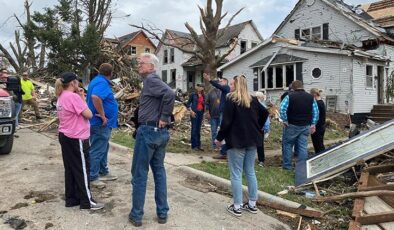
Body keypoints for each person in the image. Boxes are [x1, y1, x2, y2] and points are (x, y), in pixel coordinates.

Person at [129, 53, 175, 227]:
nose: (139, 64)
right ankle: (162, 213)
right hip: (159, 133)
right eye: (139, 62)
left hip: (148, 132)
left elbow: (170, 94)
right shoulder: (151, 81)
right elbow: (166, 96)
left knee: (139, 174)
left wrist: (164, 116)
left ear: (152, 67)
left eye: (142, 63)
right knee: (159, 172)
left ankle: (136, 215)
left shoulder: (151, 80)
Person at [215, 75, 269, 217]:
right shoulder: (253, 100)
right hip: (252, 139)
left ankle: (237, 206)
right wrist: (259, 127)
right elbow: (265, 113)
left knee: (236, 173)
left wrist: (219, 138)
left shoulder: (231, 99)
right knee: (250, 171)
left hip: (236, 140)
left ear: (238, 85)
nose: (230, 86)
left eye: (232, 84)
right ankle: (252, 204)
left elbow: (226, 122)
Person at [55, 72, 104, 211]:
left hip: (65, 135)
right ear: (73, 83)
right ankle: (87, 202)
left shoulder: (61, 96)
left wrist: (80, 97)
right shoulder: (73, 97)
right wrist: (82, 98)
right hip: (77, 138)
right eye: (77, 82)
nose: (79, 84)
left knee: (70, 169)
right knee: (82, 169)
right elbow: (88, 114)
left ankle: (72, 199)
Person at [86, 63, 118, 188]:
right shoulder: (102, 83)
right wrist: (103, 115)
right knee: (97, 149)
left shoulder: (96, 80)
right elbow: (95, 97)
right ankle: (93, 177)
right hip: (100, 123)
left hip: (100, 123)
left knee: (103, 147)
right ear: (111, 73)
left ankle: (102, 171)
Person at [280, 80, 319, 171]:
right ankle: (302, 167)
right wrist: (313, 124)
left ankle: (287, 167)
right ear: (303, 86)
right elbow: (316, 112)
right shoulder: (311, 97)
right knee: (303, 147)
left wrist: (285, 120)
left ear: (293, 88)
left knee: (288, 145)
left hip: (291, 125)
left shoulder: (289, 96)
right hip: (305, 126)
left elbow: (282, 109)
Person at [203, 73, 230, 159]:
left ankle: (224, 151)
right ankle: (222, 150)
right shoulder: (222, 90)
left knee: (223, 130)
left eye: (221, 81)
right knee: (220, 131)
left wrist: (209, 80)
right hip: (219, 113)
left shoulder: (226, 87)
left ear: (225, 82)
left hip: (223, 113)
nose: (219, 83)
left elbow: (218, 86)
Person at [186, 84, 205, 151]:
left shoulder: (203, 95)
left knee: (198, 129)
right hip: (194, 113)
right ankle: (194, 146)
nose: (200, 88)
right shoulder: (193, 95)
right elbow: (187, 104)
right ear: (197, 88)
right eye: (199, 86)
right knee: (194, 129)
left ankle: (198, 145)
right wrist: (191, 111)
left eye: (202, 87)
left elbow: (204, 104)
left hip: (200, 113)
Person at [255, 91, 270, 167]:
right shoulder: (263, 106)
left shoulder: (260, 106)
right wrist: (266, 129)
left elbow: (266, 120)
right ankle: (261, 160)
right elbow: (267, 120)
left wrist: (266, 129)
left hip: (257, 127)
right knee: (260, 145)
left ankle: (260, 160)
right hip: (260, 128)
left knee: (257, 145)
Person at [310, 88, 326, 154]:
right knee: (320, 144)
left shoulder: (317, 104)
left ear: (314, 94)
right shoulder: (321, 102)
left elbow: (315, 116)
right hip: (322, 126)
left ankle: (320, 158)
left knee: (318, 145)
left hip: (317, 127)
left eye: (311, 95)